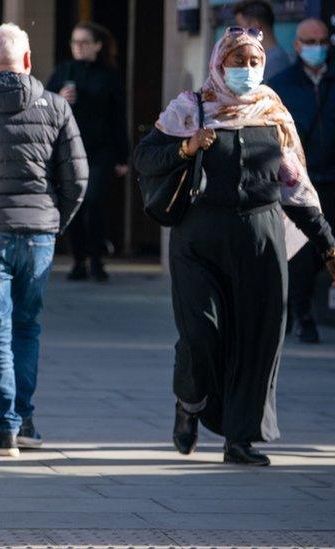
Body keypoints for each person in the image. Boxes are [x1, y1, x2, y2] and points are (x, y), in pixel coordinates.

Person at [134, 28, 335, 466]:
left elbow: (295, 188)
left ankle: (240, 439)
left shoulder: (272, 112)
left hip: (260, 240)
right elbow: (145, 159)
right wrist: (186, 148)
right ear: (218, 63)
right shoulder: (190, 108)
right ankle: (189, 403)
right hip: (199, 238)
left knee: (256, 340)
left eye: (252, 62)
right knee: (201, 335)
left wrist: (327, 245)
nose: (245, 71)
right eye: (236, 62)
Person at [0, 23, 88, 456]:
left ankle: (4, 427)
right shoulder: (56, 107)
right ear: (29, 61)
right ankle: (26, 419)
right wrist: (55, 221)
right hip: (39, 232)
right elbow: (77, 176)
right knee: (27, 327)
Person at [269, 18, 335, 344]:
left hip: (333, 179)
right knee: (303, 253)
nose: (317, 47)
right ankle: (302, 313)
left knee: (329, 247)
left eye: (322, 41)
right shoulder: (282, 84)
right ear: (297, 45)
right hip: (301, 183)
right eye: (310, 41)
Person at [47, 22, 128, 282]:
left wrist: (122, 156)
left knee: (93, 202)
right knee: (75, 205)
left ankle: (97, 259)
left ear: (97, 45)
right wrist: (59, 96)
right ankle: (78, 260)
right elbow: (44, 103)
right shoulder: (63, 71)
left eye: (84, 42)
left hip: (100, 149)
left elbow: (118, 116)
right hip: (69, 148)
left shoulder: (109, 75)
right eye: (74, 42)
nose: (78, 47)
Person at [234, 0, 292, 81]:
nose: (238, 34)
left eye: (240, 28)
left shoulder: (272, 64)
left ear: (255, 25)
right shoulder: (281, 58)